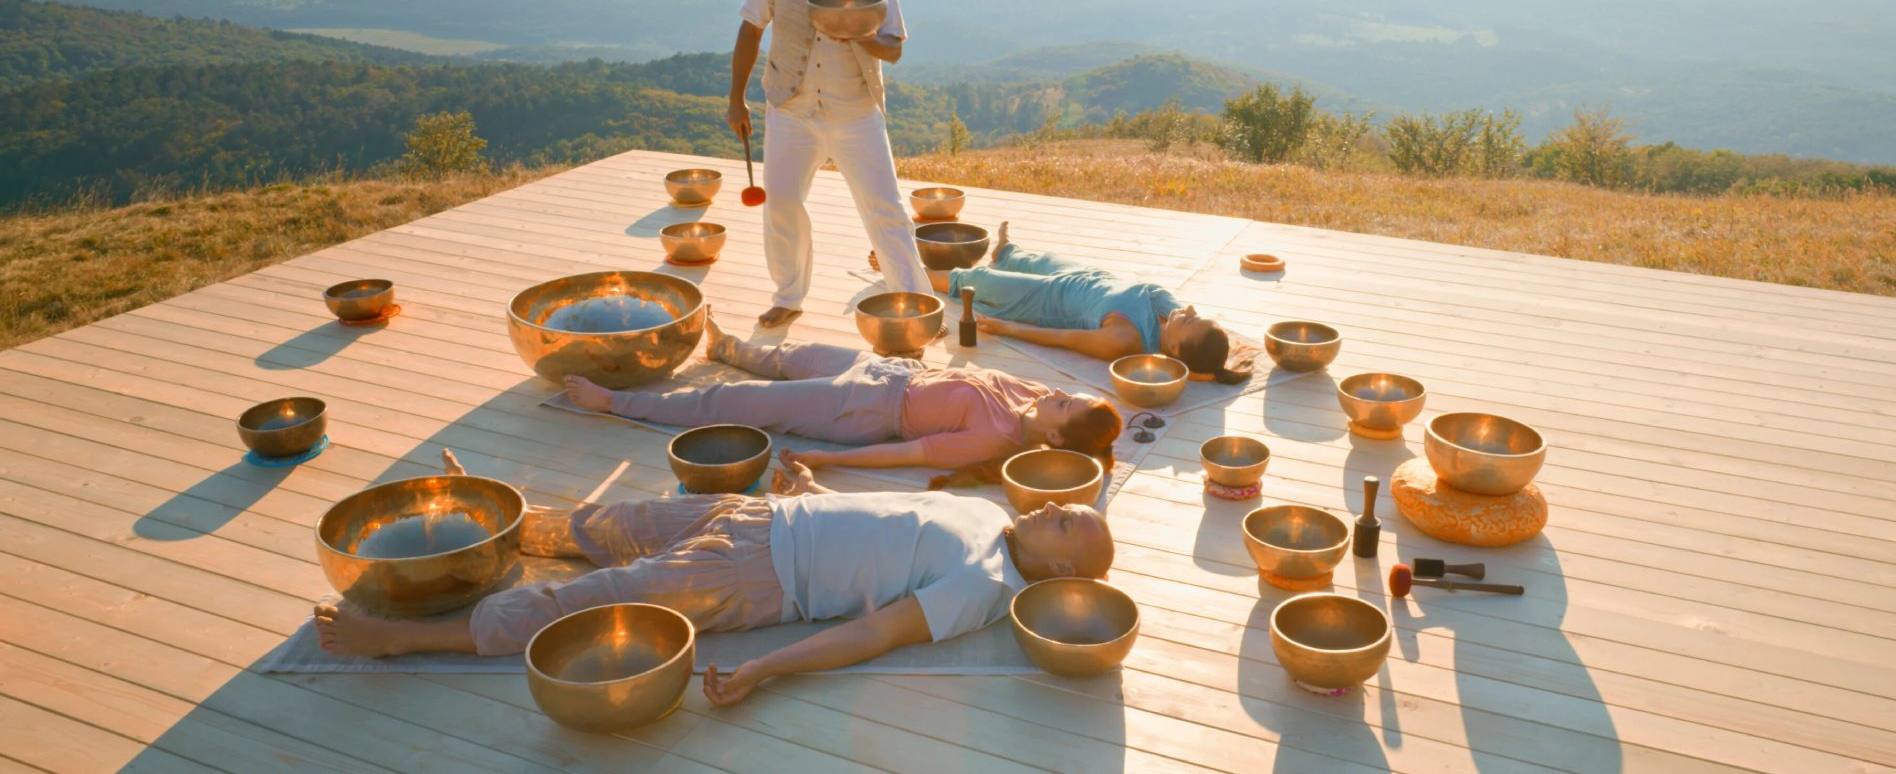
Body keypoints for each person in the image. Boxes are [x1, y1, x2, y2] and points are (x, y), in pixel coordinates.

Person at [313, 449, 1115, 709]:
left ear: (1060, 572)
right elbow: (885, 519)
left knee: (586, 601)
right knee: (604, 524)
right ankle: (496, 527)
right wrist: (813, 495)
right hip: (755, 516)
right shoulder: (985, 512)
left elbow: (873, 633)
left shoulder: (981, 587)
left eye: (1069, 522)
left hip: (756, 574)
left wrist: (767, 668)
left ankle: (397, 637)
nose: (1056, 505)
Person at [563, 316, 1121, 481]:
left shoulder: (992, 439)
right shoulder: (1035, 395)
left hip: (860, 409)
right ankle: (727, 344)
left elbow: (905, 456)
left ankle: (614, 403)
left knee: (737, 401)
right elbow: (1083, 406)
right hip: (887, 369)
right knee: (789, 355)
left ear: (1052, 436)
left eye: (1065, 406)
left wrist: (827, 459)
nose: (1060, 394)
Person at [727, 0, 931, 330]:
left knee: (885, 208)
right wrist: (736, 100)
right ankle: (788, 296)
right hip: (790, 108)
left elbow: (893, 49)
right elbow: (750, 31)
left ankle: (917, 304)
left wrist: (859, 34)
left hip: (855, 110)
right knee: (781, 205)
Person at [930, 223, 1256, 383]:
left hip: (1049, 299)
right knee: (1037, 259)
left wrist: (1007, 328)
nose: (1187, 311)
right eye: (1193, 313)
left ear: (1174, 350)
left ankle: (911, 271)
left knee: (982, 282)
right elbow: (1206, 354)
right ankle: (1006, 254)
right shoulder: (1170, 312)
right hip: (1089, 276)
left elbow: (1066, 339)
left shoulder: (1125, 339)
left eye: (1188, 321)